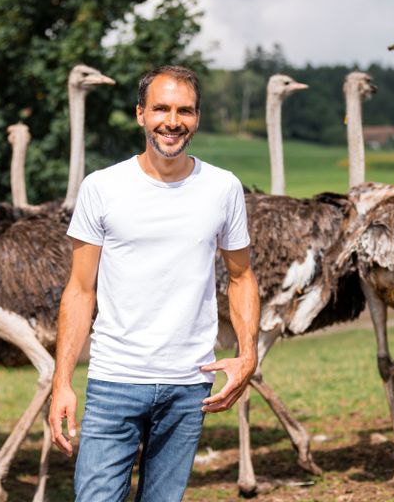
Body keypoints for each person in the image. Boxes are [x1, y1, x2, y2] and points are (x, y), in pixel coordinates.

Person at [48, 64, 259, 501]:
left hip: (189, 384)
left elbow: (241, 278)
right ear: (141, 113)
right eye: (161, 108)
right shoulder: (102, 187)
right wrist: (62, 382)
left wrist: (247, 354)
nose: (172, 121)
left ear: (197, 118)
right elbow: (80, 290)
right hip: (114, 381)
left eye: (185, 110)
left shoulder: (223, 188)